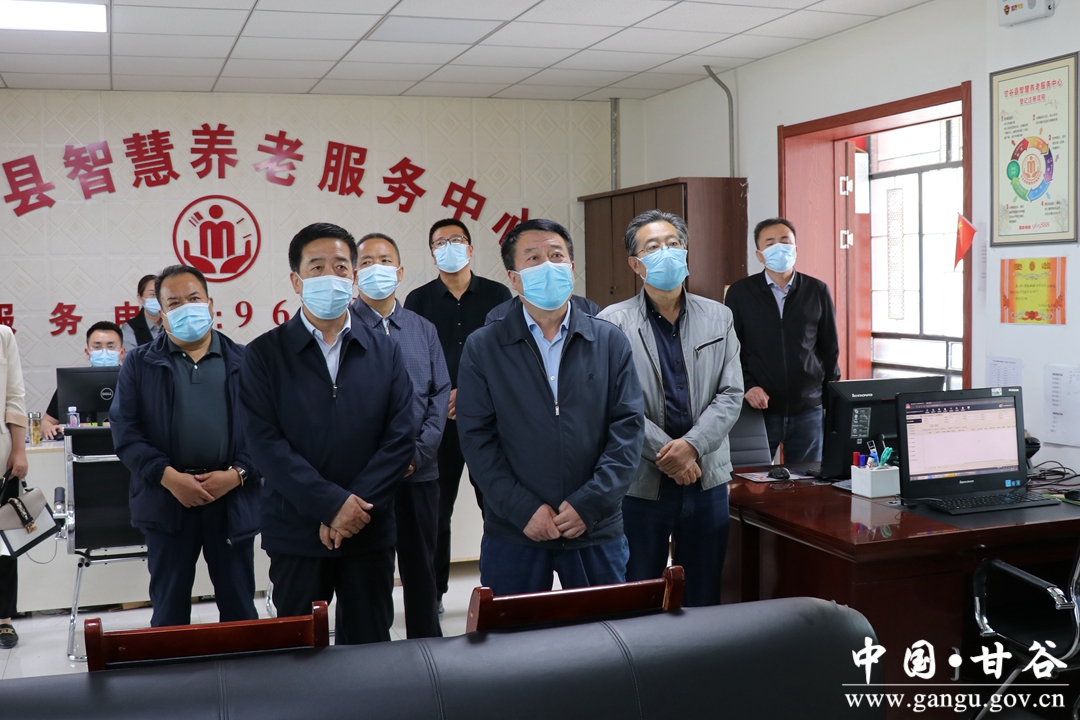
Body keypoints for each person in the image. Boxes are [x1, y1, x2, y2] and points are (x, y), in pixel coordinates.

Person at [241, 222, 415, 645]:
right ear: (296, 281)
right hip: (297, 531)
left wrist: (354, 508)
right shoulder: (264, 354)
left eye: (340, 266)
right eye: (316, 267)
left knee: (369, 649)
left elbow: (399, 438)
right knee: (299, 651)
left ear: (354, 277)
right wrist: (331, 505)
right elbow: (264, 444)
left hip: (368, 529)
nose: (330, 276)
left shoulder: (385, 349)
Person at [456, 218, 645, 596]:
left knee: (604, 630)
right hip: (515, 531)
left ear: (571, 269)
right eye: (533, 258)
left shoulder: (609, 341)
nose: (547, 266)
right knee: (514, 632)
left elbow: (627, 428)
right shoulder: (483, 346)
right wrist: (522, 509)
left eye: (556, 256)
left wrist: (590, 504)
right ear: (514, 279)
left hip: (595, 527)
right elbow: (477, 439)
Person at [598, 210, 744, 607]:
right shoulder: (611, 323)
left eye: (673, 244)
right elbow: (613, 404)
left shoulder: (719, 316)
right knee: (638, 589)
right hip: (641, 480)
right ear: (635, 264)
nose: (666, 252)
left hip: (706, 476)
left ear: (685, 252)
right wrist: (669, 454)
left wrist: (692, 446)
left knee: (703, 591)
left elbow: (731, 393)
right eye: (652, 247)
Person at [110, 265, 260, 627]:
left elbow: (266, 432)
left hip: (231, 500)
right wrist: (168, 477)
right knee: (169, 612)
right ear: (161, 313)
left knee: (240, 610)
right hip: (167, 500)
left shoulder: (245, 360)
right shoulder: (140, 363)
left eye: (193, 299)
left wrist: (237, 474)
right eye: (174, 303)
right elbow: (126, 431)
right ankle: (170, 666)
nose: (186, 308)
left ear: (210, 304)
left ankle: (247, 665)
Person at [403, 219, 511, 610]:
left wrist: (471, 392)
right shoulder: (418, 299)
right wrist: (443, 398)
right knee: (436, 512)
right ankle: (433, 594)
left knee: (497, 506)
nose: (448, 246)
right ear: (432, 253)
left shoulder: (498, 295)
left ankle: (499, 588)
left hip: (489, 421)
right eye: (440, 242)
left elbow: (507, 354)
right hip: (438, 423)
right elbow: (413, 359)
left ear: (470, 247)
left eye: (456, 239)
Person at [353, 232, 450, 639]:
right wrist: (384, 461)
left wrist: (418, 452)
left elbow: (440, 393)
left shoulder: (421, 327)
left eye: (385, 260)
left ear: (400, 271)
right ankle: (373, 647)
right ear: (354, 274)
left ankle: (427, 645)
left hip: (419, 471)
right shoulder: (343, 326)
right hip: (367, 476)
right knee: (369, 568)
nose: (377, 269)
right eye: (367, 262)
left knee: (421, 565)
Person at [724, 217, 840, 462]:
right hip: (757, 409)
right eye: (770, 243)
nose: (779, 247)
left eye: (785, 241)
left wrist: (829, 400)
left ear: (795, 249)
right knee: (751, 478)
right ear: (760, 255)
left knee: (807, 480)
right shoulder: (740, 292)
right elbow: (731, 349)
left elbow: (829, 349)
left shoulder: (817, 290)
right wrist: (747, 385)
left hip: (808, 409)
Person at [42, 320, 126, 440]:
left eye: (111, 346)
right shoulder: (72, 383)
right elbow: (47, 421)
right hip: (81, 446)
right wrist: (48, 429)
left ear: (122, 352)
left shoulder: (134, 382)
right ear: (87, 353)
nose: (104, 351)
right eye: (97, 347)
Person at [0, 324, 27, 648]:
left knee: (3, 543)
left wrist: (19, 449)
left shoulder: (3, 335)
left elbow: (15, 397)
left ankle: (4, 619)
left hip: (2, 455)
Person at [121, 274, 164, 352]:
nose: (157, 299)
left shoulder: (172, 325)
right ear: (140, 298)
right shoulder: (130, 328)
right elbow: (130, 358)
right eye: (152, 295)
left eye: (160, 294)